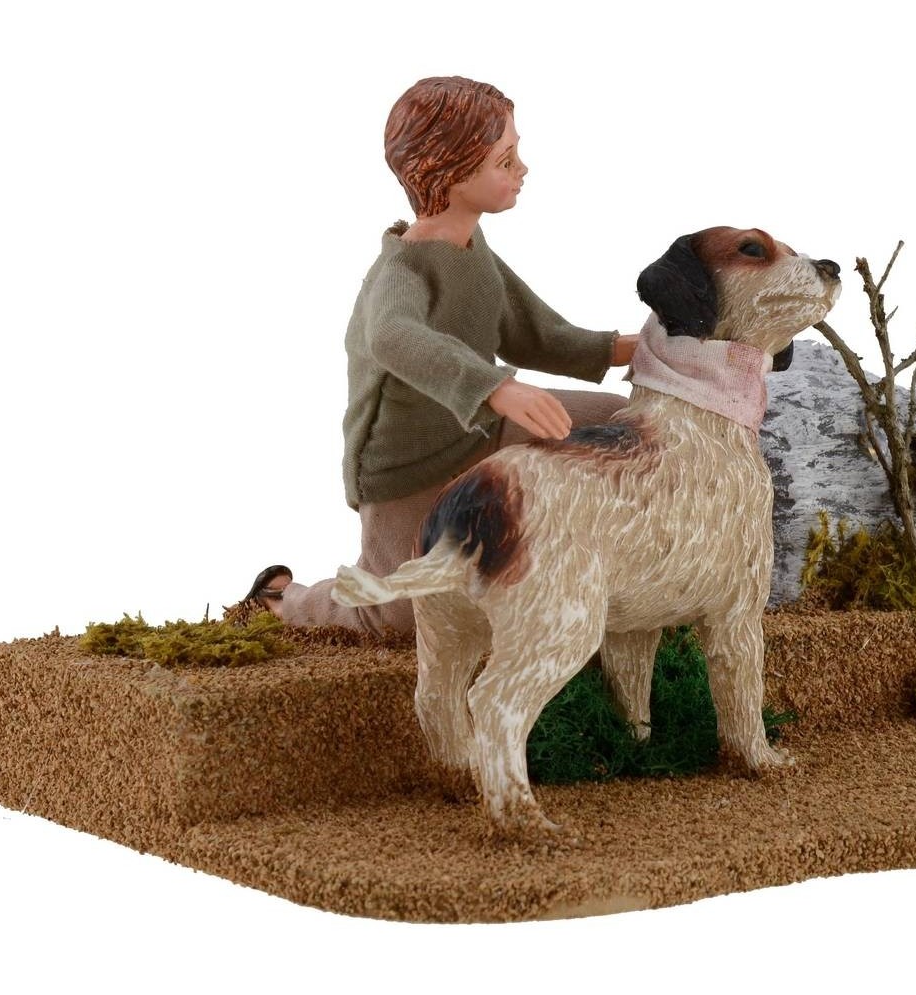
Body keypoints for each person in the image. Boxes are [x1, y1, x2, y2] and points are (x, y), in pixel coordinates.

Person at [241, 76, 635, 633]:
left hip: (482, 433)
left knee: (624, 427)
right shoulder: (402, 270)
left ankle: (610, 577)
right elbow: (393, 336)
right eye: (505, 160)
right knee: (397, 612)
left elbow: (537, 334)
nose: (522, 169)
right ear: (450, 173)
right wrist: (496, 389)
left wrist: (635, 347)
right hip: (410, 467)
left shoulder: (473, 251)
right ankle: (289, 602)